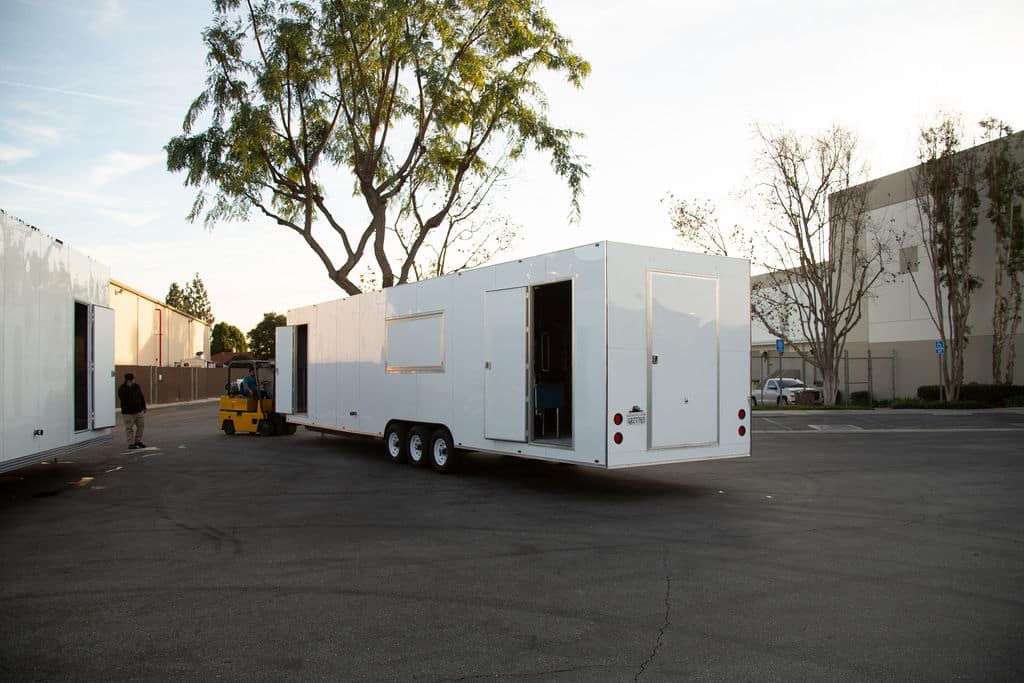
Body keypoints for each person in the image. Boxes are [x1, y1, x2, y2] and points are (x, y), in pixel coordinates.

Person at [117, 373, 147, 449]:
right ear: (129, 380)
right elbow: (123, 400)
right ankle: (131, 443)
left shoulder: (136, 386)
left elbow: (141, 396)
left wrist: (144, 406)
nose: (134, 380)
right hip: (128, 413)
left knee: (141, 426)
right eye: (133, 379)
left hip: (138, 411)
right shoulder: (122, 389)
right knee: (129, 428)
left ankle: (138, 441)